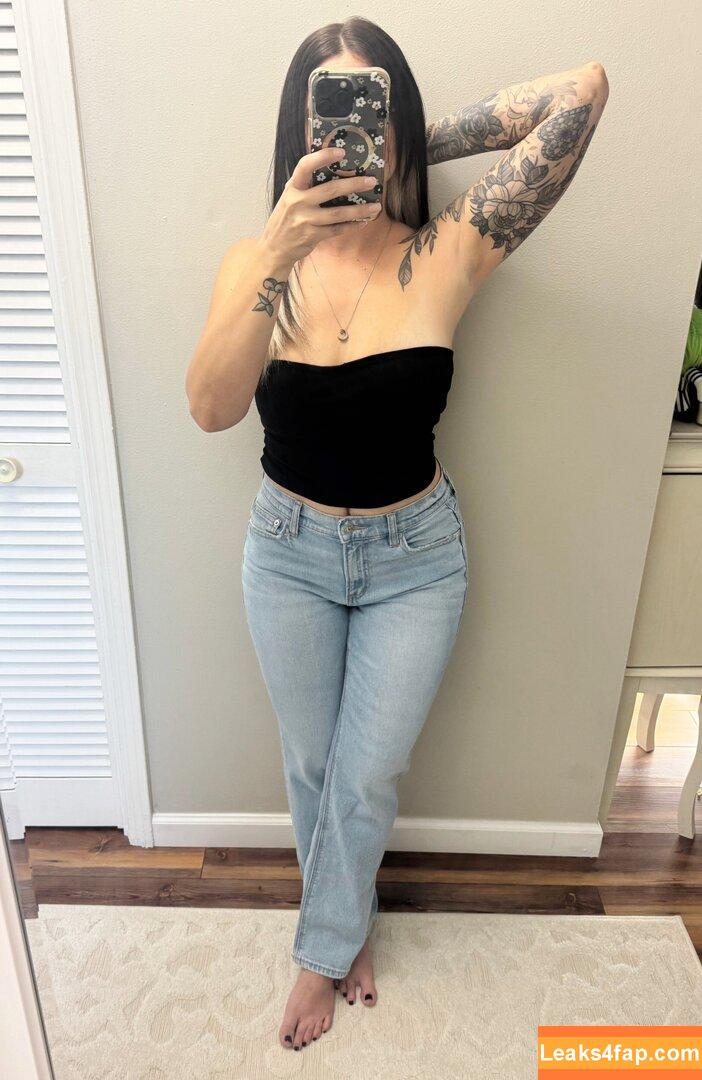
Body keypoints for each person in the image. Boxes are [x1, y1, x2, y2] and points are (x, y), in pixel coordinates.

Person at [185, 16, 608, 1054]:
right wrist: (280, 248)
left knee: (367, 772)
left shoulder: (448, 247)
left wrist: (409, 141)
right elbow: (209, 408)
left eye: (370, 110)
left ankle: (321, 949)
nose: (348, 135)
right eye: (328, 115)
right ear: (295, 133)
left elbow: (583, 92)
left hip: (416, 559)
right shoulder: (253, 262)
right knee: (312, 764)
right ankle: (347, 930)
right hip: (287, 552)